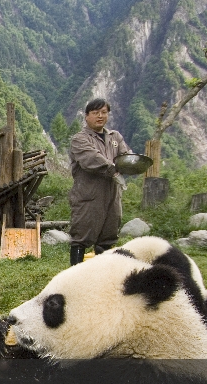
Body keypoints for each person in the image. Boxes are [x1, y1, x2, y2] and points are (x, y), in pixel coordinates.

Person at [67, 98, 131, 266]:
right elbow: (91, 159)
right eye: (95, 113)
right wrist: (113, 168)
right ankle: (75, 275)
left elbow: (125, 157)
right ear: (87, 116)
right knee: (82, 235)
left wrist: (132, 163)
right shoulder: (80, 139)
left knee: (108, 236)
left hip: (112, 194)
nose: (100, 116)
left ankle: (102, 275)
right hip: (88, 195)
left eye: (104, 112)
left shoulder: (115, 137)